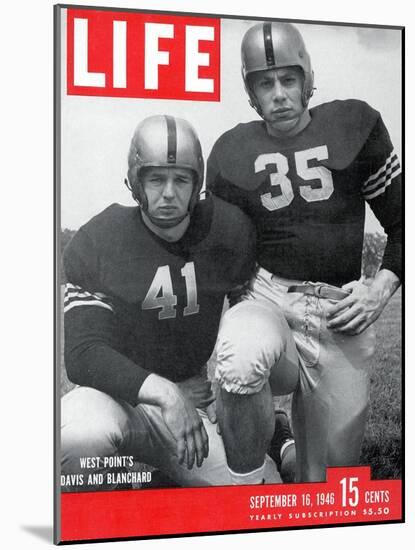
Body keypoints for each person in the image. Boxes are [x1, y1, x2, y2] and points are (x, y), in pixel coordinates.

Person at [207, 22, 402, 482]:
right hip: (270, 298)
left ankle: (286, 444)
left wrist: (381, 287)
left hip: (340, 311)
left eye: (288, 80)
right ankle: (249, 489)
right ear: (251, 92)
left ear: (308, 79)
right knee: (240, 355)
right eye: (265, 83)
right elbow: (219, 256)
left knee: (326, 487)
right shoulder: (231, 152)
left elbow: (403, 221)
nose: (278, 94)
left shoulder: (356, 125)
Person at [60, 114, 299, 491]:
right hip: (117, 400)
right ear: (135, 181)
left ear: (197, 183)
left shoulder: (226, 231)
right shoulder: (99, 241)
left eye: (180, 179)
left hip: (194, 406)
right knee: (78, 437)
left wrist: (228, 403)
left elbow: (247, 317)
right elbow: (83, 353)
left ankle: (274, 433)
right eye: (156, 178)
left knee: (254, 498)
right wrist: (168, 393)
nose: (168, 192)